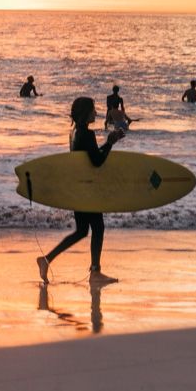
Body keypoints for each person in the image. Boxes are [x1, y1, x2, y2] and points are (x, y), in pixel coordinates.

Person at [36, 97, 125, 286]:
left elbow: (89, 155)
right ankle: (95, 273)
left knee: (82, 231)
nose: (96, 113)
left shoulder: (75, 133)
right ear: (86, 113)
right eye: (93, 110)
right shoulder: (87, 134)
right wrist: (109, 143)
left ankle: (46, 260)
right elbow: (97, 162)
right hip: (87, 190)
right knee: (97, 228)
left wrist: (111, 142)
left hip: (78, 188)